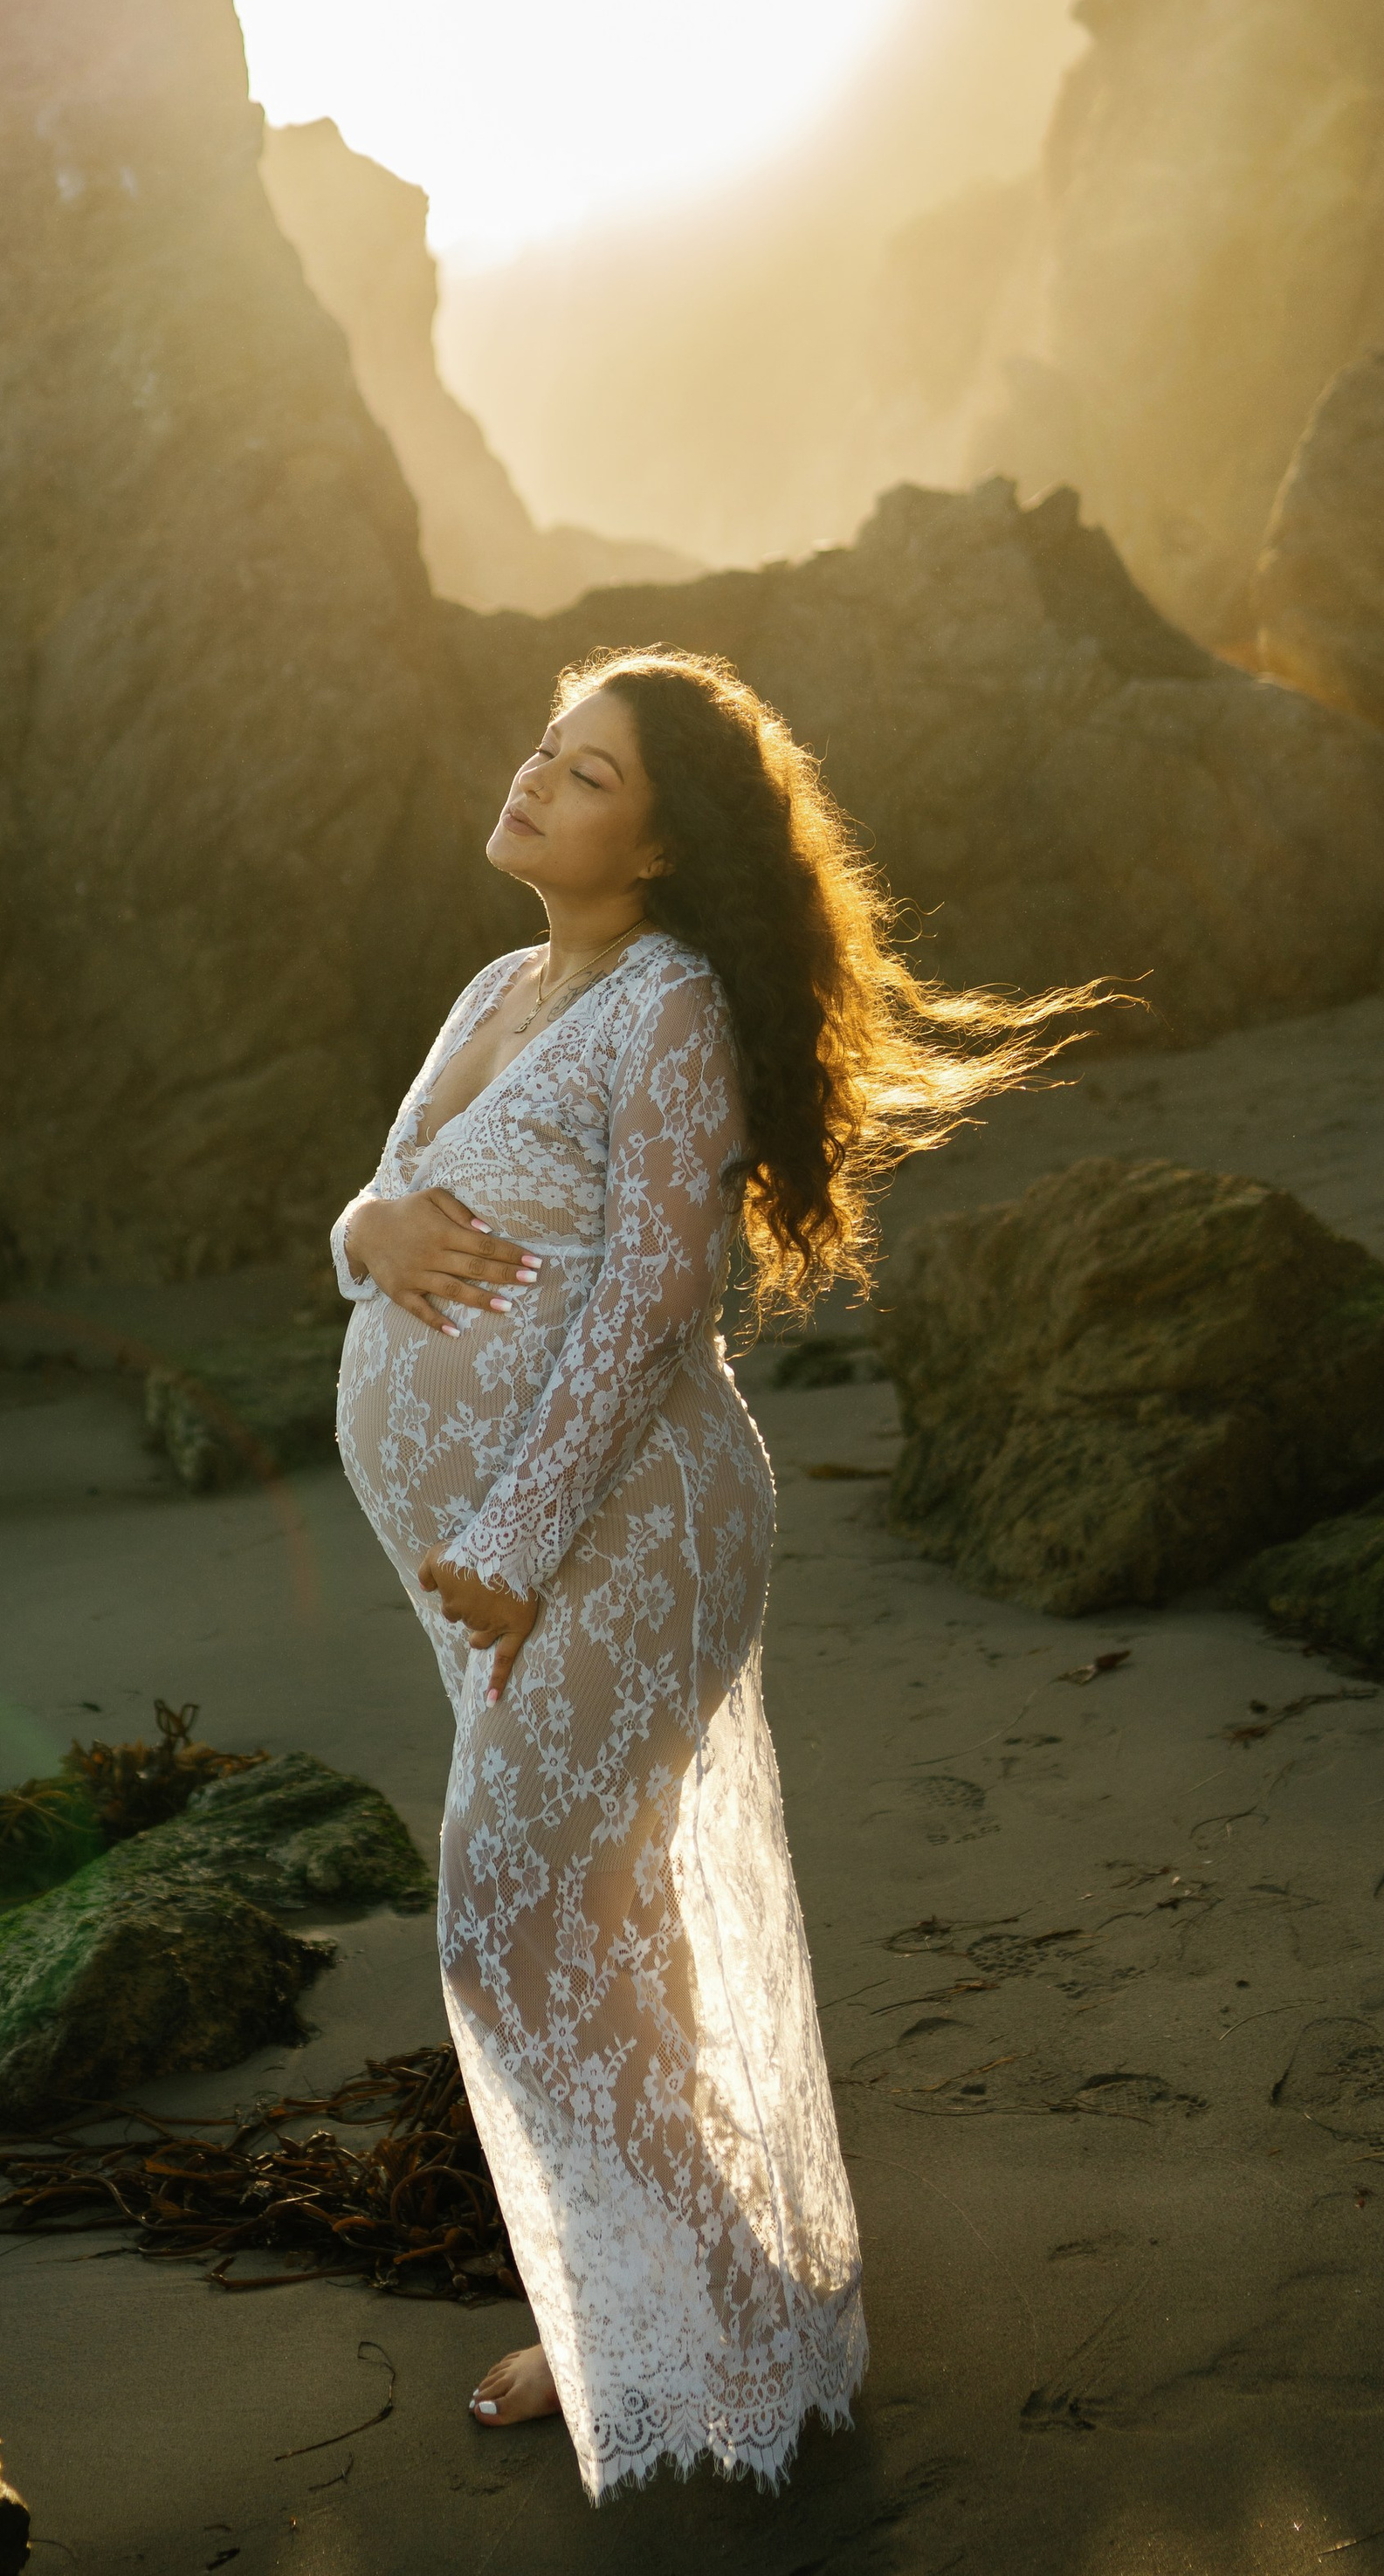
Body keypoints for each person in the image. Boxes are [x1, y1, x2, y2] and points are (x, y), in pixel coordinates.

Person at [331, 642, 1086, 2502]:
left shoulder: (664, 1006)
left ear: (661, 847)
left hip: (620, 1534)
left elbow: (656, 1295)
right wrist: (367, 1222)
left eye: (584, 774)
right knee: (604, 1938)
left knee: (508, 1934)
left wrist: (510, 1540)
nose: (532, 780)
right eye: (541, 751)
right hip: (497, 1567)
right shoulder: (498, 985)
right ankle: (622, 2317)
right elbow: (375, 1212)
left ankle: (726, 2318)